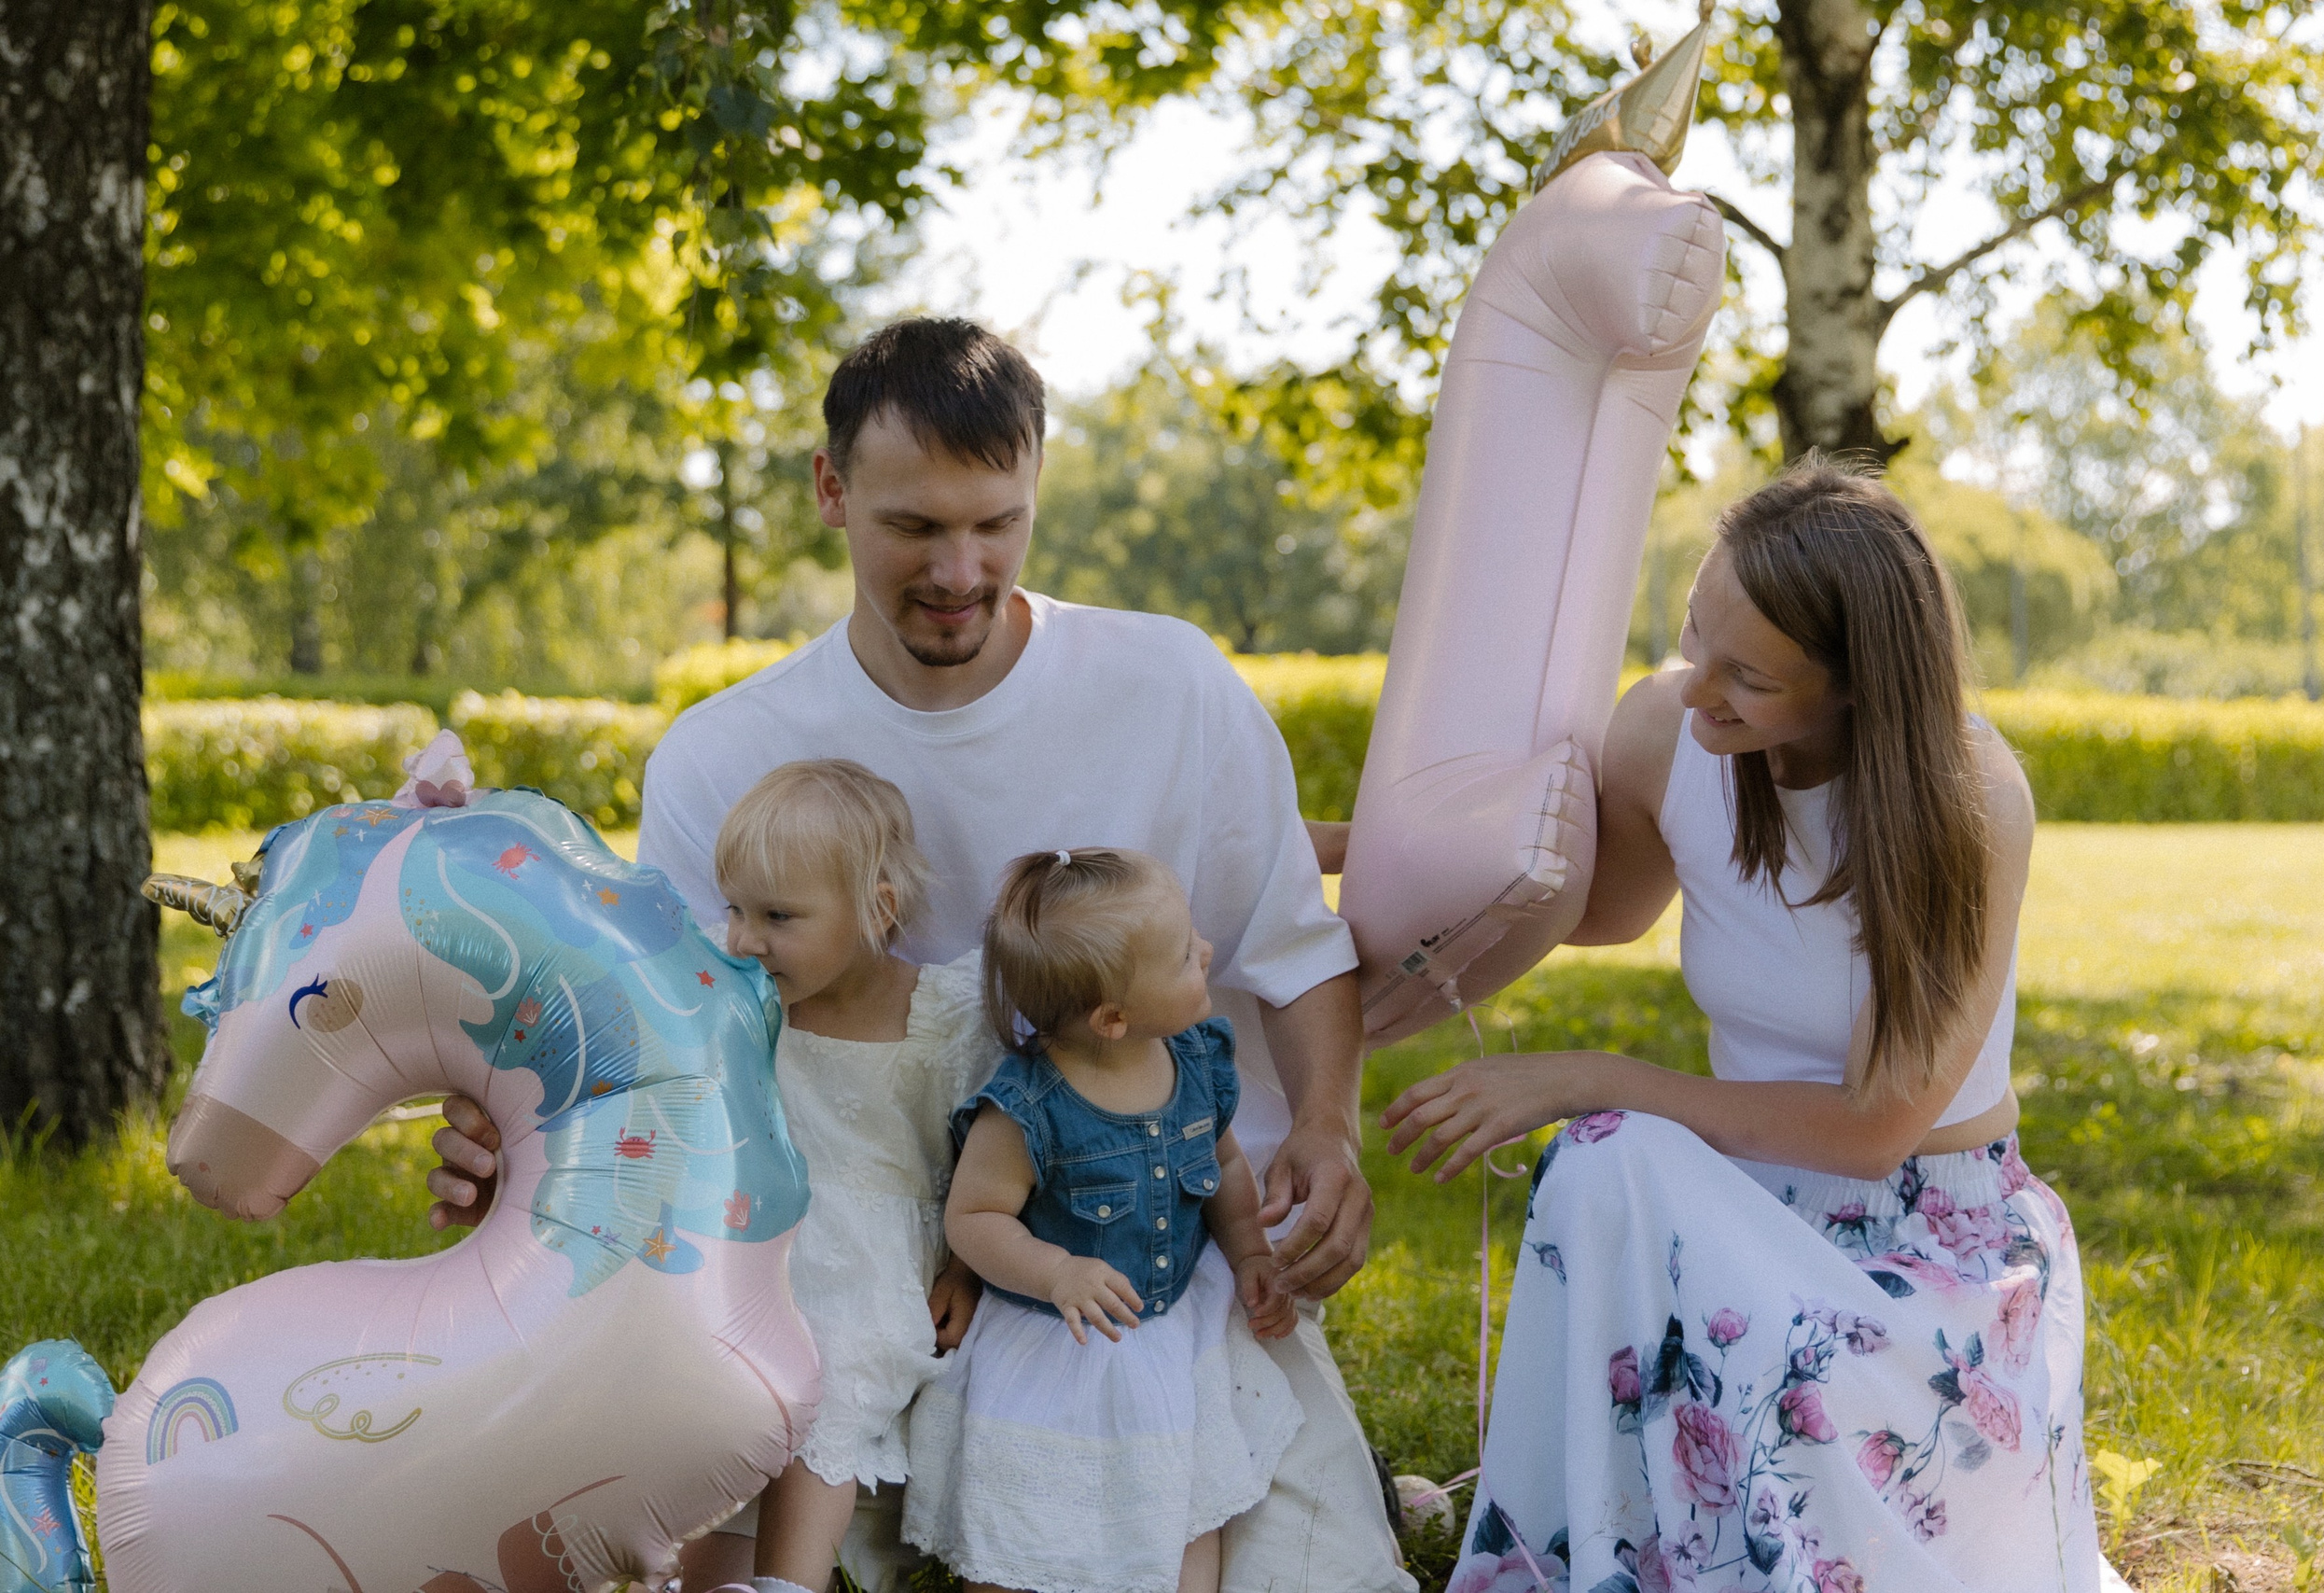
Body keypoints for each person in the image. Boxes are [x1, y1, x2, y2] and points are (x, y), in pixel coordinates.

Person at [425, 317, 1411, 1593]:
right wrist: (520, 1142)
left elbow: (1295, 949)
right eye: (915, 527)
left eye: (997, 520)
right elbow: (660, 1040)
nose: (961, 567)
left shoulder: (1173, 686)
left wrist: (1328, 1128)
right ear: (832, 492)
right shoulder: (725, 755)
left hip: (1155, 1272)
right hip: (861, 1275)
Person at [1373, 462, 2100, 1591]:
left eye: (1747, 677)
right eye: (1691, 635)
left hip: (1923, 1249)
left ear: (1855, 687)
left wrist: (1585, 1073)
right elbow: (1601, 910)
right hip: (1742, 1204)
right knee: (1597, 1168)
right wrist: (1364, 846)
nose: (1696, 685)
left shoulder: (1970, 794)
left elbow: (1872, 1132)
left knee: (1604, 1137)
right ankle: (1562, 1566)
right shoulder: (1671, 730)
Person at [902, 847, 1302, 1593]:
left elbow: (1227, 1167)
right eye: (1186, 955)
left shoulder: (1197, 1059)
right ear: (1114, 1018)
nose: (1206, 953)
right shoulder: (1028, 1110)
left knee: (1183, 1502)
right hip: (1058, 1342)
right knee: (1026, 1513)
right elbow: (975, 1215)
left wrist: (1249, 1251)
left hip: (1166, 1333)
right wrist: (1056, 1269)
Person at [710, 760, 1001, 1593]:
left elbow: (996, 1157)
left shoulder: (948, 1012)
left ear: (876, 909)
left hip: (877, 1274)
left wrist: (969, 1268)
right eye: (734, 908)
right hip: (764, 1256)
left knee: (826, 1377)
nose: (743, 938)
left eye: (777, 915)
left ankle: (788, 1585)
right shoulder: (741, 1005)